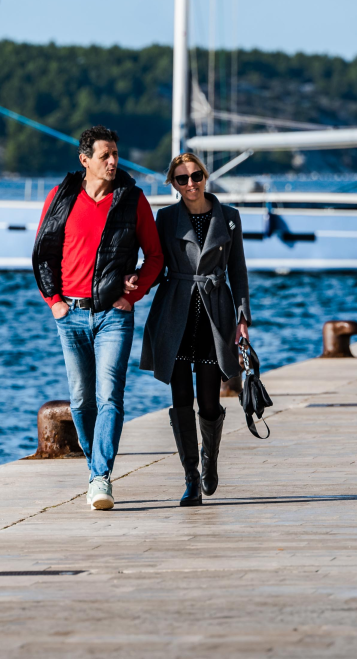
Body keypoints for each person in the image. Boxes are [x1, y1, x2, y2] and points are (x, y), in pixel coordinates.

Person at [32, 126, 163, 510]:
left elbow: (154, 258)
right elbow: (43, 255)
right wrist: (54, 301)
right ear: (84, 159)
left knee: (110, 397)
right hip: (68, 315)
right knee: (80, 401)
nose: (112, 161)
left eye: (115, 154)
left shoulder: (132, 200)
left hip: (113, 316)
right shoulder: (60, 198)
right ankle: (95, 469)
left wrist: (133, 294)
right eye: (105, 155)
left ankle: (101, 477)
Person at [139, 152, 250, 507]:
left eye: (196, 176)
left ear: (205, 175)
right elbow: (156, 265)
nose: (191, 184)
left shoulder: (229, 218)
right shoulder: (166, 218)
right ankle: (191, 477)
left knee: (209, 400)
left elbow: (238, 270)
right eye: (182, 179)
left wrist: (243, 319)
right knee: (180, 399)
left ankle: (210, 459)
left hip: (214, 314)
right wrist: (129, 284)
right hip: (176, 312)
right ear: (173, 183)